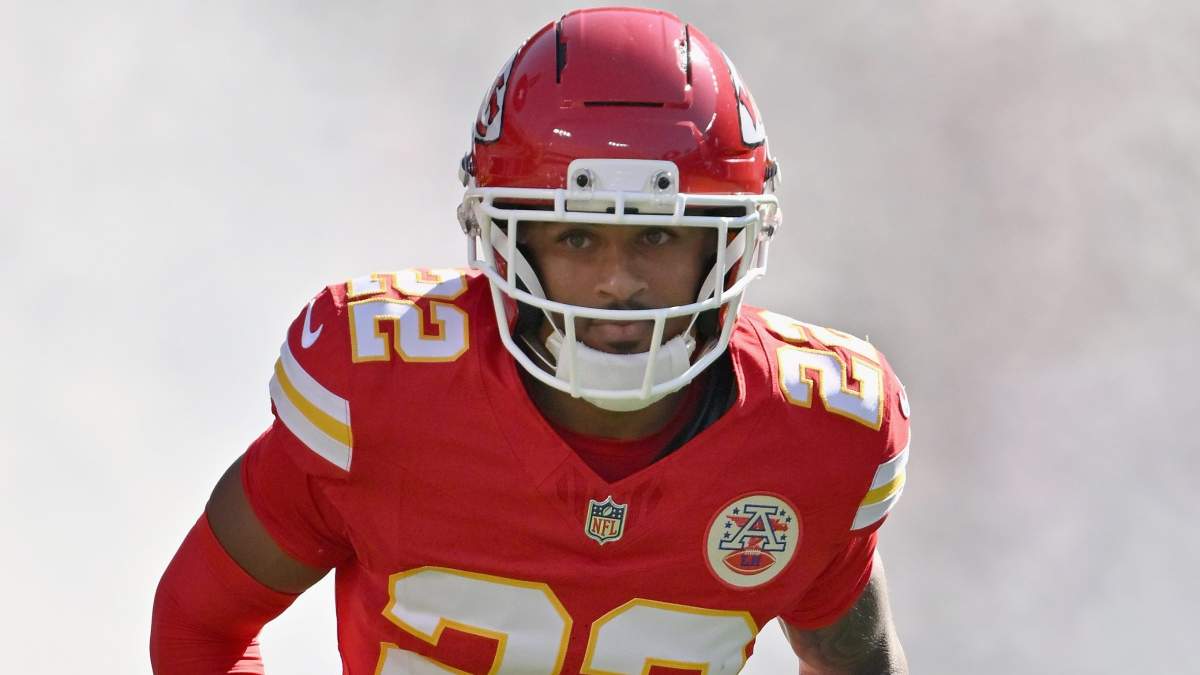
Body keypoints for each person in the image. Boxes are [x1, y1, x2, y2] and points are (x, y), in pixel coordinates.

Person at [151, 7, 911, 674]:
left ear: (728, 244)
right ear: (508, 243)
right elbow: (201, 623)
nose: (618, 280)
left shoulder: (816, 436)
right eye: (576, 237)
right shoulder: (377, 390)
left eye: (657, 235)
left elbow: (856, 663)